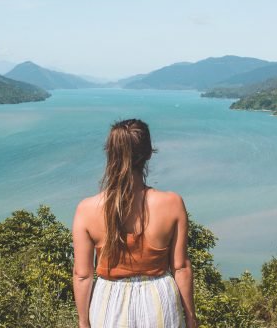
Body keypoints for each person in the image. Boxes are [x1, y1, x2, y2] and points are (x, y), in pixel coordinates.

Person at [72, 119, 198, 328]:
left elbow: (83, 275)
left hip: (108, 304)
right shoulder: (172, 203)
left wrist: (84, 322)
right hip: (159, 301)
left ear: (111, 153)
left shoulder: (86, 209)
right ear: (148, 153)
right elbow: (181, 268)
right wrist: (191, 318)